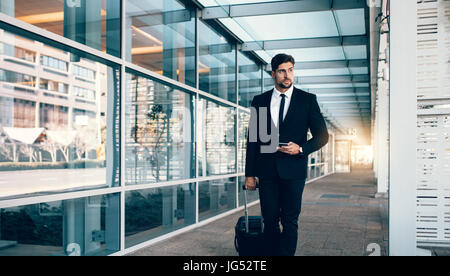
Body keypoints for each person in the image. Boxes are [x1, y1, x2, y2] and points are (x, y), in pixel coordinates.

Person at [245, 53, 329, 256]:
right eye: (282, 71)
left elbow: (322, 136)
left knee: (290, 222)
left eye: (290, 70)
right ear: (273, 73)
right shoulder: (260, 101)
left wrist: (300, 148)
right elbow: (253, 140)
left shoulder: (307, 100)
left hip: (294, 171)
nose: (287, 75)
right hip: (267, 172)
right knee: (270, 221)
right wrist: (249, 174)